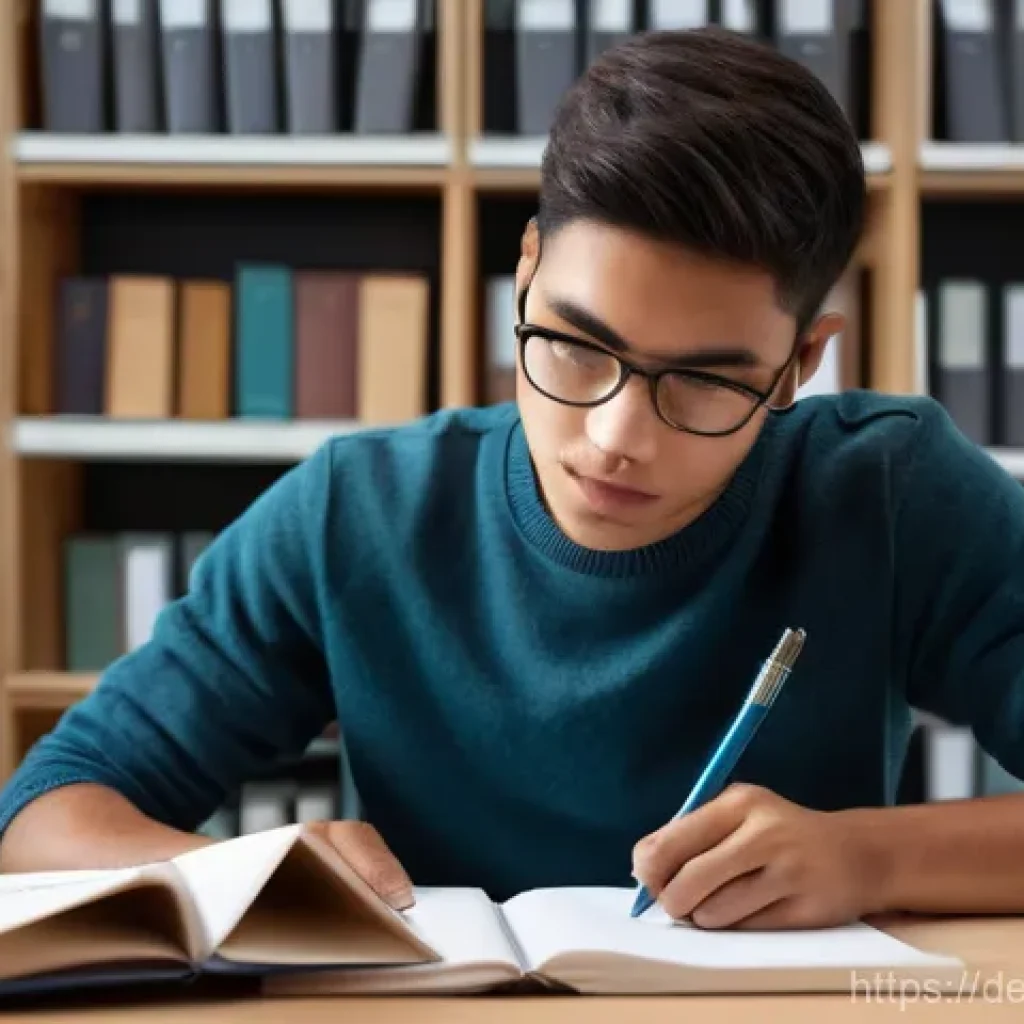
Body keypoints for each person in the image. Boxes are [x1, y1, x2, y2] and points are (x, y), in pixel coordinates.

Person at [3, 26, 1024, 933]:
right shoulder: (358, 512)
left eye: (706, 382)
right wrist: (239, 872)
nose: (616, 437)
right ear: (527, 271)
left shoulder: (891, 489)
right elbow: (43, 816)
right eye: (577, 347)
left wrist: (869, 858)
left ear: (802, 363)